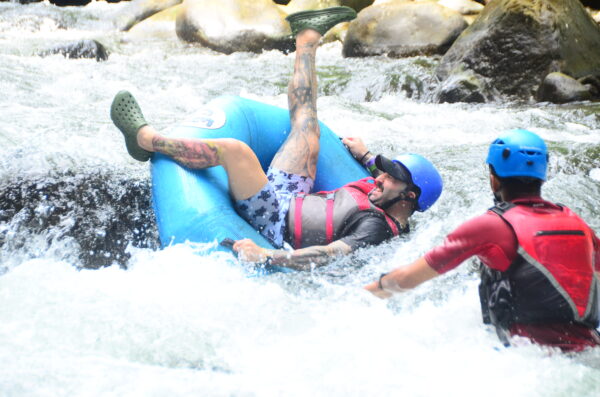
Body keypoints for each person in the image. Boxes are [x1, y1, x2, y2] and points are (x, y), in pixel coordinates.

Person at [110, 7, 442, 270]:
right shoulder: (386, 192)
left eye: (390, 176)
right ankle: (307, 37)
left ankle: (146, 140)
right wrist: (368, 156)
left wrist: (266, 256)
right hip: (291, 194)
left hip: (274, 221)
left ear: (410, 197)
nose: (380, 177)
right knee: (307, 125)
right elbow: (380, 174)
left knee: (236, 151)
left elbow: (328, 254)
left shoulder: (377, 228)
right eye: (383, 170)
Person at [365, 129, 600, 352]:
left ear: (493, 179)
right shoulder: (578, 223)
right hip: (589, 349)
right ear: (542, 176)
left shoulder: (491, 226)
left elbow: (406, 279)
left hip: (527, 355)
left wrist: (358, 299)